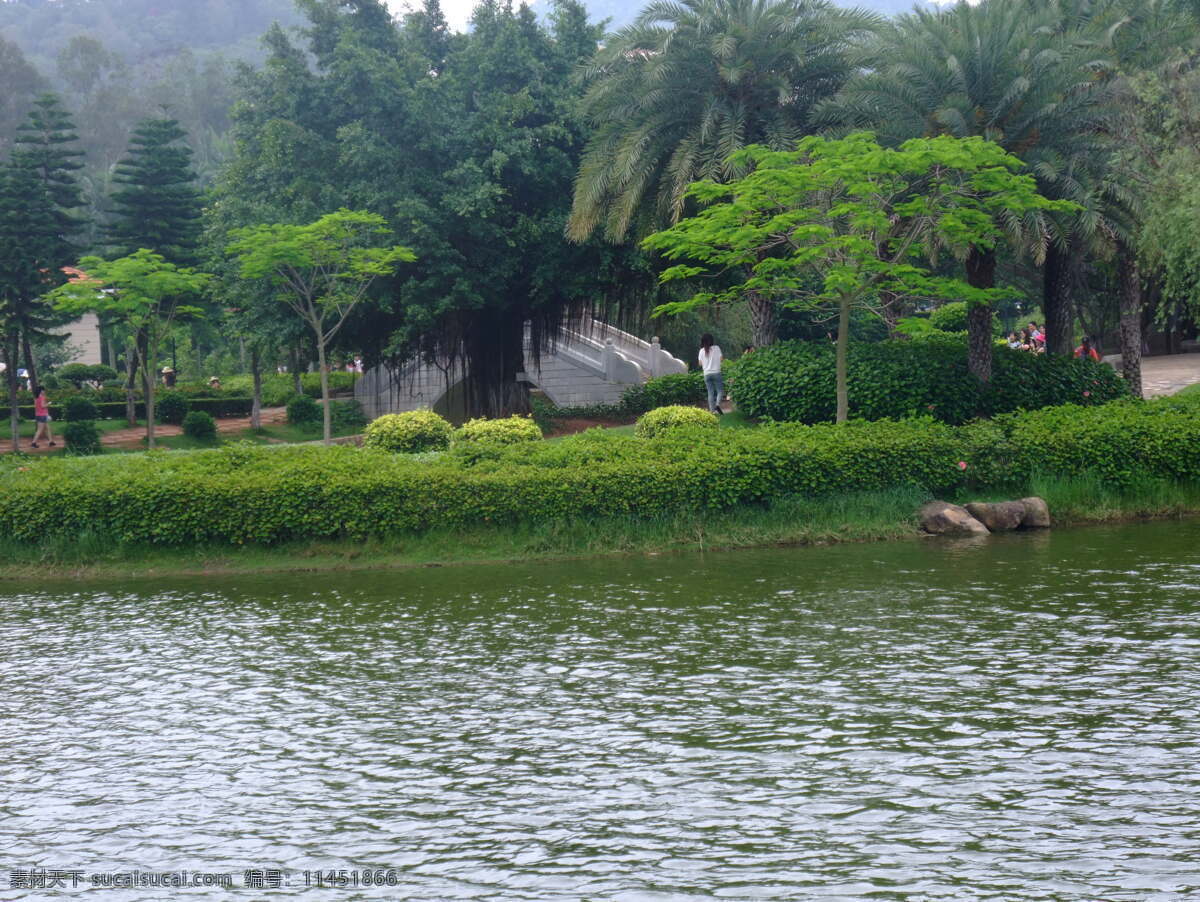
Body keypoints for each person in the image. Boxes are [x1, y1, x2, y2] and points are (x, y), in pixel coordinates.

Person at [699, 333, 724, 416]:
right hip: (716, 372)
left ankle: (712, 411)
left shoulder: (701, 350)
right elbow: (721, 359)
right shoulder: (716, 348)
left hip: (706, 374)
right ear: (712, 340)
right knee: (720, 391)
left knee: (710, 392)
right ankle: (717, 405)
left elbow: (700, 363)